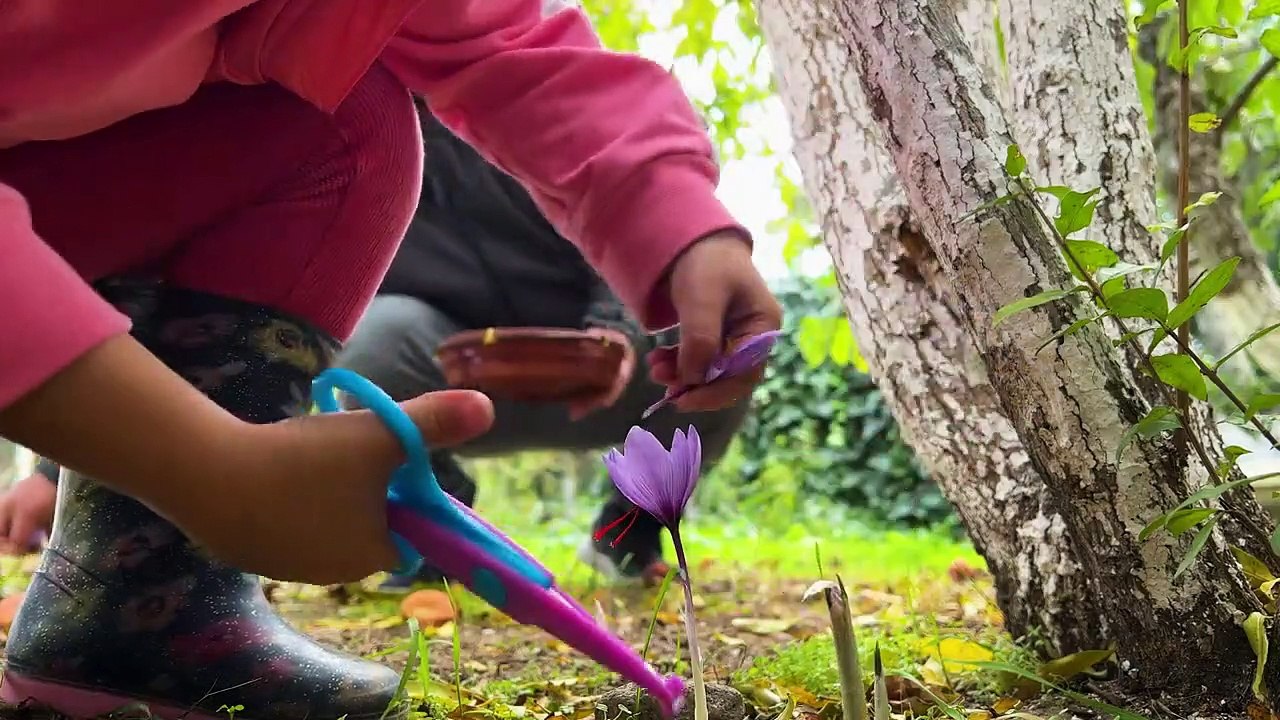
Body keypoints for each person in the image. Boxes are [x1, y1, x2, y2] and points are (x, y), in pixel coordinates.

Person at [0, 2, 783, 719]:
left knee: (343, 122)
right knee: (357, 170)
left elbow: (501, 38)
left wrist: (676, 223)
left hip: (592, 368)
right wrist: (213, 469)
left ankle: (141, 607)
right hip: (426, 357)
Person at [2, 107, 750, 589]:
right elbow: (203, 309)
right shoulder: (328, 151)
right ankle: (434, 526)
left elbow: (623, 219)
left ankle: (626, 537)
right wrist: (55, 466)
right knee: (376, 332)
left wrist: (612, 334)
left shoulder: (533, 137)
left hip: (599, 372)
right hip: (442, 377)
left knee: (713, 348)